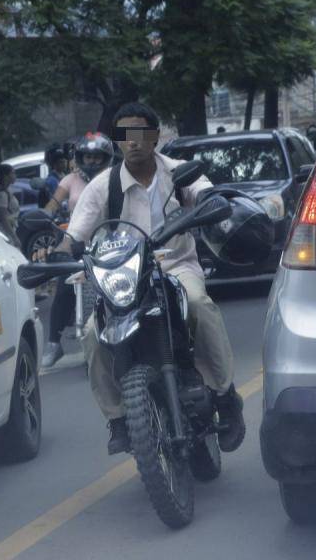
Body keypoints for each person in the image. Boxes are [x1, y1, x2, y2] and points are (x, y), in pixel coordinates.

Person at [54, 102, 245, 456]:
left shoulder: (178, 173)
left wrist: (212, 204)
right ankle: (118, 420)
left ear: (155, 137)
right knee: (93, 335)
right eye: (125, 135)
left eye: (141, 133)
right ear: (117, 141)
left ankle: (226, 395)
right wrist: (61, 253)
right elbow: (75, 234)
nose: (134, 142)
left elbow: (207, 196)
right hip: (125, 279)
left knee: (200, 306)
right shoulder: (101, 187)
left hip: (177, 268)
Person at [41, 132, 114, 368]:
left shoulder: (115, 177)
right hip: (75, 241)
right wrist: (42, 216)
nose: (91, 162)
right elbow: (51, 206)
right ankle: (54, 343)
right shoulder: (69, 181)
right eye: (87, 157)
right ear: (79, 157)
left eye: (97, 157)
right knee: (64, 284)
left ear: (106, 157)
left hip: (112, 241)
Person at [0, 163, 20, 246]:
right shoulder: (2, 195)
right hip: (4, 232)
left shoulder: (7, 191)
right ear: (5, 176)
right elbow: (4, 218)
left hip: (9, 230)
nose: (15, 176)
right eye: (13, 173)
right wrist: (14, 237)